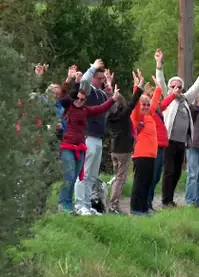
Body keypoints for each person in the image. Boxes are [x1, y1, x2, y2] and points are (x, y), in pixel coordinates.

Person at [155, 53, 199, 208]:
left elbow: (197, 87)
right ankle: (166, 200)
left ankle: (171, 199)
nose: (176, 89)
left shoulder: (186, 99)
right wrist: (159, 65)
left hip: (182, 142)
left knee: (178, 172)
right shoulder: (168, 98)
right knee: (169, 171)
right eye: (173, 86)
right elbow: (160, 83)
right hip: (169, 141)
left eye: (179, 87)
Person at [57, 78, 119, 215]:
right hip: (68, 146)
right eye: (77, 98)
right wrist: (73, 80)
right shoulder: (68, 108)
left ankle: (83, 204)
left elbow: (100, 109)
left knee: (79, 176)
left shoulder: (85, 111)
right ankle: (64, 204)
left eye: (83, 99)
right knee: (70, 175)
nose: (79, 101)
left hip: (80, 146)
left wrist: (113, 99)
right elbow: (62, 98)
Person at [74, 59, 114, 216]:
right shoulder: (87, 90)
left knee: (92, 174)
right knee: (83, 172)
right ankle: (79, 204)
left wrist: (110, 93)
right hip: (87, 135)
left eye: (103, 79)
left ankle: (87, 203)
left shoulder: (102, 93)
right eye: (99, 78)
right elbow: (83, 81)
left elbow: (112, 109)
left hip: (98, 136)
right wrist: (93, 67)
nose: (101, 81)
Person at [106, 70, 145, 214]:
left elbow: (110, 100)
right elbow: (134, 101)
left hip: (114, 149)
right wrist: (140, 84)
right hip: (124, 149)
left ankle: (111, 202)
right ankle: (113, 205)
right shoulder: (123, 115)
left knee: (117, 177)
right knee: (120, 179)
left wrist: (109, 83)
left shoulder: (110, 116)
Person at [129, 70, 160, 216]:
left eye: (147, 105)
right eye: (144, 105)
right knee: (140, 183)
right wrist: (137, 87)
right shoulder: (137, 117)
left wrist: (158, 87)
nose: (146, 107)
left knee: (147, 183)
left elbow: (154, 102)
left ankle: (143, 208)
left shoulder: (150, 116)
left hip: (151, 156)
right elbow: (135, 104)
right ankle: (135, 209)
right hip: (141, 155)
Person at [147, 51, 172, 211]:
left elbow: (165, 99)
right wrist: (157, 88)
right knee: (151, 176)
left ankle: (148, 203)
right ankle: (146, 203)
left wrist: (174, 93)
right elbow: (159, 97)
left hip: (162, 146)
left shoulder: (158, 111)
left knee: (156, 177)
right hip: (154, 147)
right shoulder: (148, 111)